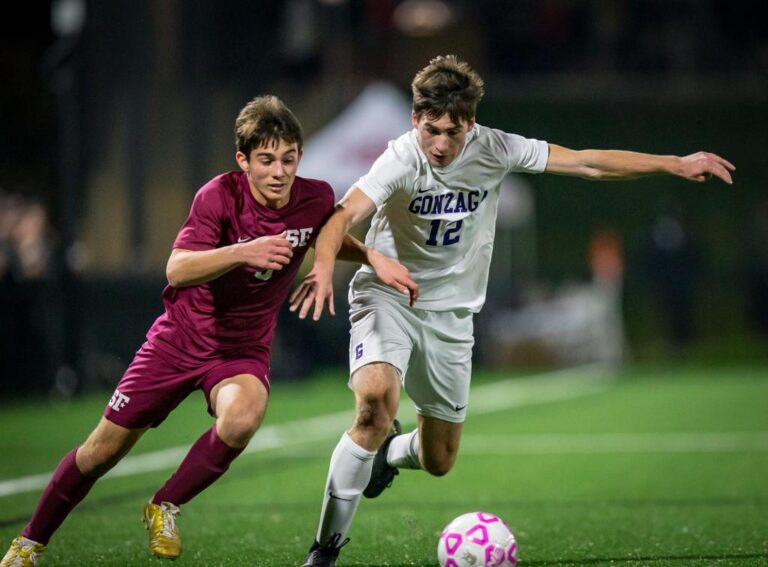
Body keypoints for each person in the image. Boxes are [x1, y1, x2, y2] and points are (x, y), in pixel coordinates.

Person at [288, 54, 735, 567]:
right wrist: (324, 267)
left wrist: (674, 163)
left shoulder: (496, 148)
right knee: (373, 406)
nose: (439, 144)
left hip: (452, 317)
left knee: (439, 460)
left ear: (470, 124)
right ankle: (323, 552)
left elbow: (587, 161)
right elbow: (343, 213)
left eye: (451, 132)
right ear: (415, 120)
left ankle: (388, 454)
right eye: (430, 129)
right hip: (388, 296)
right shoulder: (400, 158)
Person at [0, 95, 410, 567]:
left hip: (241, 351)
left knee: (244, 415)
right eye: (266, 160)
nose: (279, 172)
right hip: (178, 341)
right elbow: (177, 269)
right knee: (99, 453)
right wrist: (242, 251)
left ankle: (164, 505)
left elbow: (328, 231)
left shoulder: (313, 197)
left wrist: (372, 257)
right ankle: (28, 542)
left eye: (289, 159)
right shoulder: (218, 195)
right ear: (243, 161)